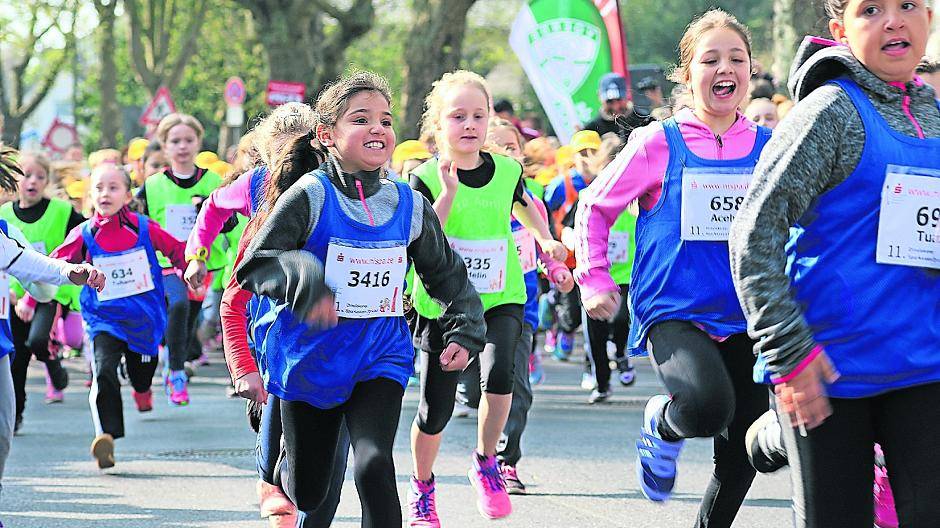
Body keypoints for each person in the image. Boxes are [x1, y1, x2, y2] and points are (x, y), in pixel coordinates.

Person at [237, 71, 486, 528]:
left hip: (379, 354)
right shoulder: (309, 196)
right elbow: (256, 265)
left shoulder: (408, 203)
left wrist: (466, 327)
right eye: (361, 119)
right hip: (311, 359)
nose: (378, 129)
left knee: (373, 463)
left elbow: (448, 275)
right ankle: (283, 467)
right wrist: (306, 279)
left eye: (386, 120)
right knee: (310, 490)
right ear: (327, 135)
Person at [728, 0, 940, 525]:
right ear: (840, 28)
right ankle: (776, 430)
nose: (894, 20)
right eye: (872, 9)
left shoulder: (935, 115)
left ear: (930, 20)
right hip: (828, 373)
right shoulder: (829, 113)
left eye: (908, 5)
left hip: (924, 367)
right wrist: (789, 353)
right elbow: (754, 233)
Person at [575, 10, 771, 526]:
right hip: (675, 308)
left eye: (736, 59)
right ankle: (662, 422)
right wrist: (594, 279)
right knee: (707, 407)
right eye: (709, 60)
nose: (724, 68)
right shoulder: (659, 142)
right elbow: (595, 207)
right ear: (686, 75)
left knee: (741, 454)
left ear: (750, 71)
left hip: (747, 312)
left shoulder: (771, 148)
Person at [406, 70, 566, 525]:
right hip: (443, 306)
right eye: (458, 116)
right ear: (439, 125)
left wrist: (547, 239)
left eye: (479, 114)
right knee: (434, 410)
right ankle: (422, 488)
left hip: (500, 295)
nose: (470, 124)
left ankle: (485, 462)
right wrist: (449, 193)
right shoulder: (423, 178)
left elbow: (525, 205)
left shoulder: (509, 170)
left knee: (501, 375)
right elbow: (422, 236)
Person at [453, 117, 573, 494]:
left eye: (513, 147)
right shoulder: (469, 196)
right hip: (470, 307)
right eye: (498, 147)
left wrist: (555, 267)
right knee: (474, 390)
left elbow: (543, 241)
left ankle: (505, 461)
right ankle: (469, 398)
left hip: (517, 306)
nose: (508, 153)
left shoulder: (529, 198)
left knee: (513, 385)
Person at [48, 163, 187, 468]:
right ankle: (107, 438)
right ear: (90, 194)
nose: (105, 194)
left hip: (144, 320)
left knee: (140, 377)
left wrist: (188, 270)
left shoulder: (144, 227)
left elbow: (178, 250)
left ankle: (142, 389)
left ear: (127, 194)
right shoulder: (83, 233)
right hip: (103, 318)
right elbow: (55, 263)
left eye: (113, 187)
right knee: (104, 370)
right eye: (98, 188)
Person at [0, 145, 104, 498]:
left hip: (2, 342)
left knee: (2, 435)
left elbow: (34, 265)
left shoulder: (4, 233)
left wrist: (72, 271)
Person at [137, 113, 224, 406]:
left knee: (188, 321)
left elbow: (233, 221)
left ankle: (171, 354)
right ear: (164, 145)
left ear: (199, 142)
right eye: (175, 141)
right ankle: (175, 374)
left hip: (205, 263)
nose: (183, 146)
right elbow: (137, 221)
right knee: (178, 305)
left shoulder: (214, 181)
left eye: (189, 140)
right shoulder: (152, 185)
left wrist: (209, 214)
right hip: (167, 263)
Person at [0, 151, 85, 427]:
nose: (32, 182)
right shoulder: (4, 217)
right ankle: (17, 414)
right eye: (27, 175)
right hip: (12, 298)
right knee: (19, 357)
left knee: (38, 340)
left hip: (50, 294)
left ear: (48, 180)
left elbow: (86, 233)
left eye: (40, 176)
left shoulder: (61, 211)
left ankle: (53, 364)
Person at [576, 134, 638, 404]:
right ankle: (602, 384)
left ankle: (621, 352)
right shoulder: (591, 196)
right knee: (596, 334)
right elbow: (571, 228)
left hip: (626, 275)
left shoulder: (640, 196)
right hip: (595, 277)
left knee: (621, 319)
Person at [582, 72, 653, 141]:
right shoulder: (590, 130)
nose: (616, 106)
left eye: (619, 99)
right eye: (609, 101)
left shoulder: (646, 121)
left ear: (627, 94)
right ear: (599, 96)